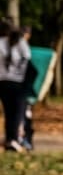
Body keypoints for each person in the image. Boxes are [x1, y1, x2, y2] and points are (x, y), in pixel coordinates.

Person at [0, 21, 31, 152]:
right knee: (17, 112)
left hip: (2, 82)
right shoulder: (20, 42)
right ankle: (14, 139)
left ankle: (9, 139)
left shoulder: (0, 42)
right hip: (18, 82)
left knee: (8, 112)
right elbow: (28, 57)